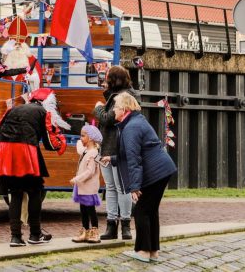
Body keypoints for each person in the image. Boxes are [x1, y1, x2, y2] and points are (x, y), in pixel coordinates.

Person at [0, 88, 67, 247]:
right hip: (24, 150)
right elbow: (50, 144)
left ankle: (15, 237)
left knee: (15, 193)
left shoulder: (14, 108)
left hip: (3, 149)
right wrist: (60, 141)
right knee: (35, 190)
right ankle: (35, 234)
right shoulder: (43, 112)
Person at [101, 92, 177, 263]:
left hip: (155, 172)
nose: (114, 111)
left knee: (141, 210)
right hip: (162, 169)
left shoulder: (131, 127)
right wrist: (112, 158)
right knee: (151, 211)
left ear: (125, 109)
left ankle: (143, 251)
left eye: (117, 107)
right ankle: (153, 251)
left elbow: (134, 159)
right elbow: (135, 152)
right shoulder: (136, 121)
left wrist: (134, 187)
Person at [93, 65, 140, 240]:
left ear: (114, 79)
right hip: (108, 147)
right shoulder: (120, 95)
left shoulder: (123, 97)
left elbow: (107, 119)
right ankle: (113, 226)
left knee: (120, 188)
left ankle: (124, 225)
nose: (105, 80)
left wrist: (98, 108)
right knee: (112, 188)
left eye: (107, 77)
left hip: (116, 147)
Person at [70, 124, 103, 244]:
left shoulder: (94, 153)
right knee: (83, 209)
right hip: (82, 187)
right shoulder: (85, 151)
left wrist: (77, 178)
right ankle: (85, 231)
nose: (81, 138)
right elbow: (80, 148)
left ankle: (94, 232)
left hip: (88, 187)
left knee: (90, 210)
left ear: (91, 138)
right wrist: (79, 141)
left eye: (83, 136)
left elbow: (90, 171)